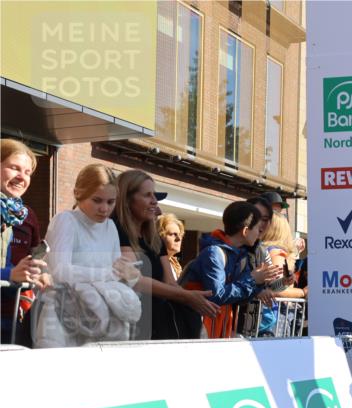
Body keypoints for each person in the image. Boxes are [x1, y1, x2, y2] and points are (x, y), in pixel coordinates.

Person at [35, 165, 142, 347]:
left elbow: (116, 274)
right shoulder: (66, 220)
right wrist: (110, 273)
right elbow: (61, 271)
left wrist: (128, 274)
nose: (104, 209)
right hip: (62, 315)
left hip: (100, 319)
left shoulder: (111, 227)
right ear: (78, 193)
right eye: (97, 200)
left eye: (111, 202)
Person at [114, 169, 217, 339]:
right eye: (147, 195)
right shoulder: (117, 230)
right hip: (131, 323)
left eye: (154, 195)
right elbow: (135, 280)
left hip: (157, 322)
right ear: (127, 199)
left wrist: (193, 299)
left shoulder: (154, 238)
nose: (154, 201)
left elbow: (170, 281)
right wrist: (187, 296)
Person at [180, 201, 282, 337]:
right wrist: (252, 279)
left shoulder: (239, 256)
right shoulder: (214, 253)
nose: (259, 233)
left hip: (218, 329)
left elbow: (237, 297)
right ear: (245, 231)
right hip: (195, 329)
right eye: (257, 228)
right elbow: (216, 295)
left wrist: (259, 284)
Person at [1, 139, 49, 344]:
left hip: (14, 319)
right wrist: (9, 274)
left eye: (27, 172)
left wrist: (41, 274)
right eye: (14, 168)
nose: (22, 177)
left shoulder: (27, 215)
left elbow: (32, 258)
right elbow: (13, 272)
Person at [257, 212, 305, 335]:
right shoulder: (276, 252)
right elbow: (277, 289)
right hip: (274, 318)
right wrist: (303, 292)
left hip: (265, 317)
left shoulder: (264, 249)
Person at [158, 213, 185, 282]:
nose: (179, 239)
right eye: (173, 234)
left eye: (180, 235)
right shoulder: (154, 262)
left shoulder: (175, 263)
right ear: (160, 236)